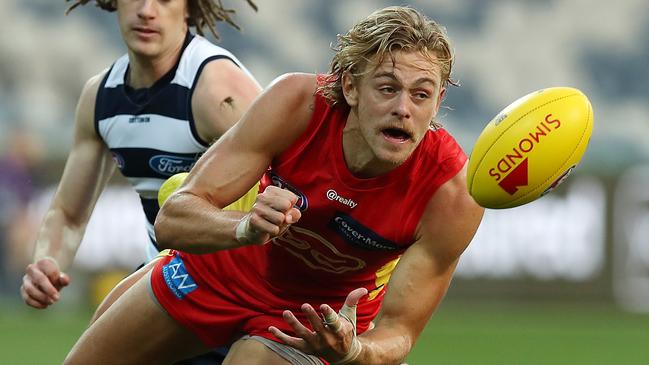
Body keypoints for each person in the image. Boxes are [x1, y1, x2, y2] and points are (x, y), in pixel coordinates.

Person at [65, 6, 485, 365]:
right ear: (351, 86)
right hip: (220, 274)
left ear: (439, 97)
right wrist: (244, 227)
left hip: (312, 318)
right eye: (388, 88)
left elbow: (400, 331)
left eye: (421, 94)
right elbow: (173, 219)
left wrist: (354, 351)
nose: (402, 109)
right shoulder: (296, 103)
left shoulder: (451, 193)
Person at [20, 0, 260, 363]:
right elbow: (69, 212)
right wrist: (47, 261)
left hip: (236, 286)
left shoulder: (217, 88)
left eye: (164, 0)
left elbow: (288, 184)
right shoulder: (100, 97)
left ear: (189, 9)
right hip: (167, 276)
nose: (147, 10)